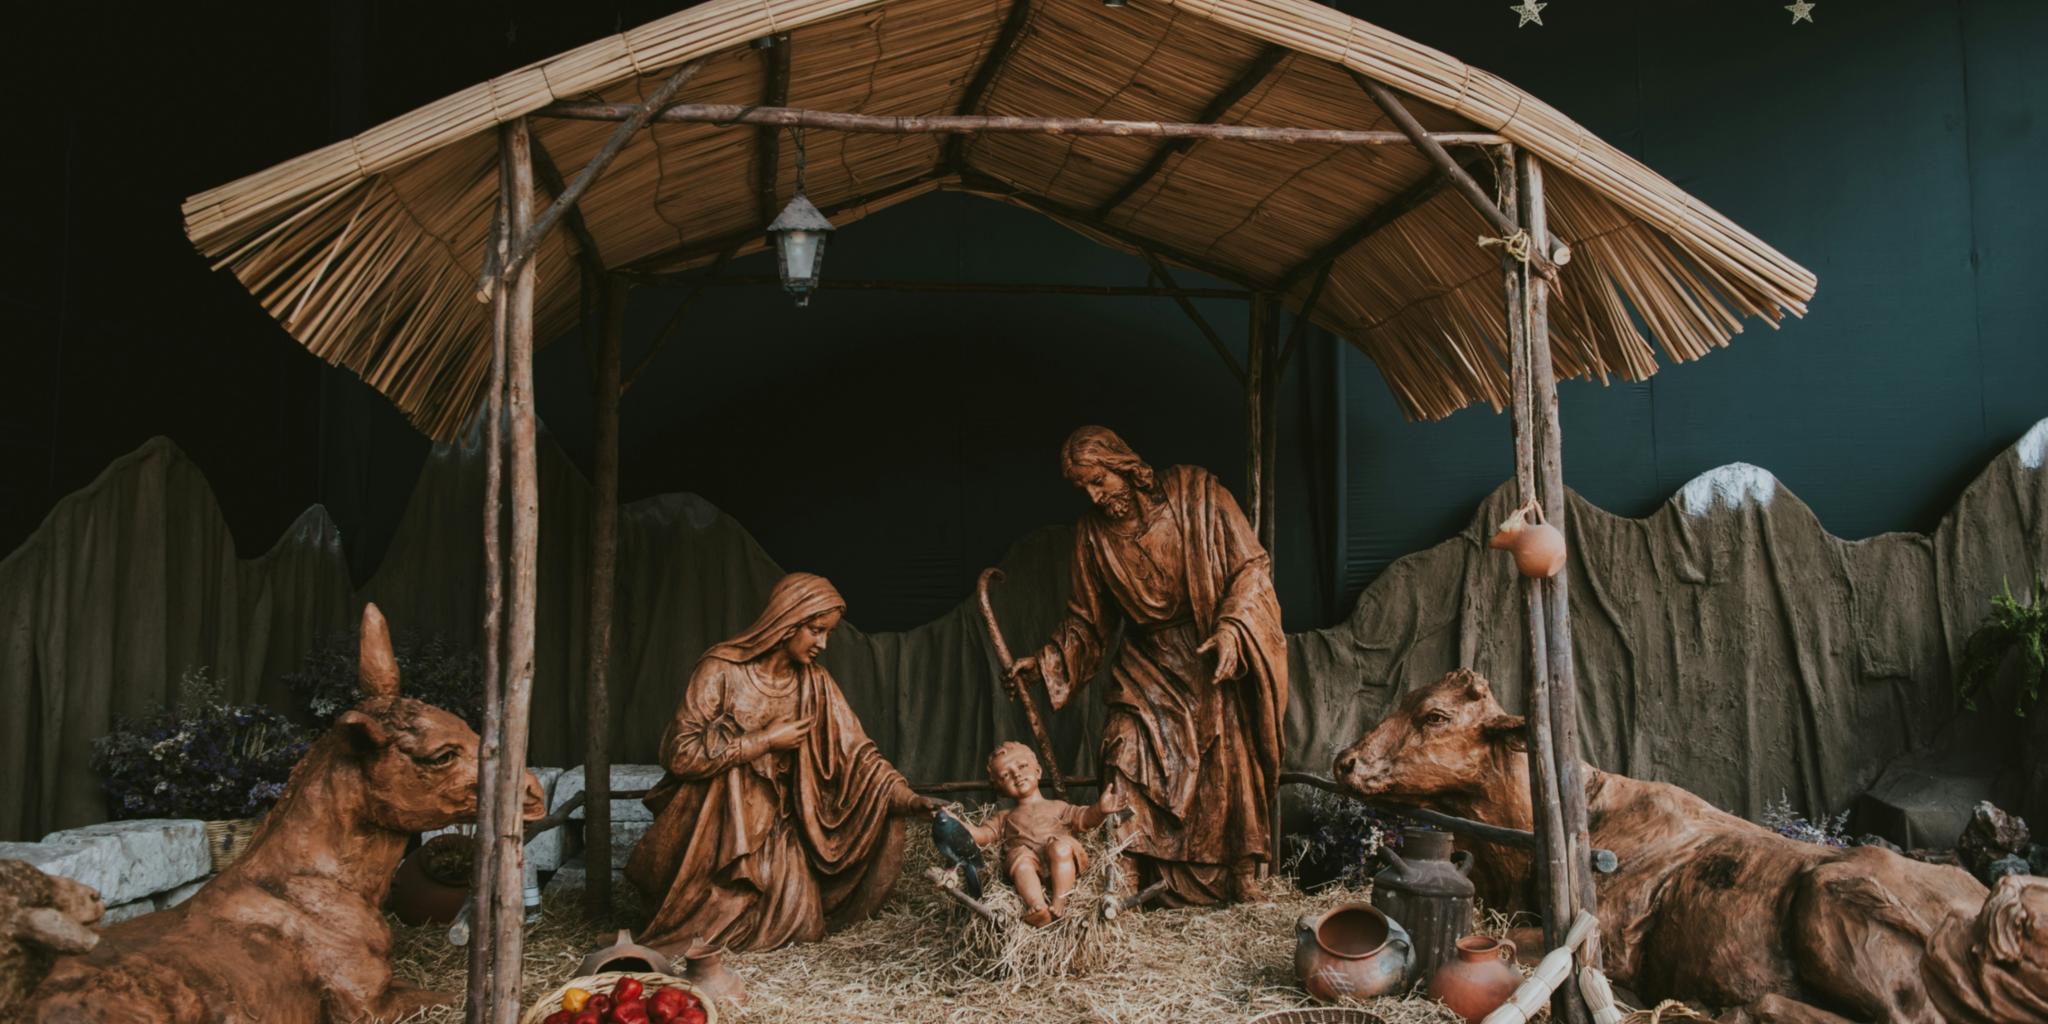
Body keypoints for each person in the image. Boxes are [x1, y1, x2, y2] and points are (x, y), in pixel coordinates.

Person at [1007, 425, 1287, 907]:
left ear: (1123, 465)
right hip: (1145, 662)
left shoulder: (1197, 494)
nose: (1096, 497)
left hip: (1206, 646)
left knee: (1228, 746)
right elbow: (1087, 621)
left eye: (1100, 481)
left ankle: (1240, 872)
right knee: (1124, 748)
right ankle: (1128, 868)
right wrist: (1047, 662)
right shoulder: (1092, 537)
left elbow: (1250, 566)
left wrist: (1231, 630)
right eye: (1085, 489)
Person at [625, 572, 943, 953]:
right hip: (717, 830)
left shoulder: (815, 683)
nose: (823, 643)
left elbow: (858, 753)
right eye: (816, 630)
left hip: (778, 831)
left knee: (804, 930)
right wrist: (763, 742)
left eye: (828, 633)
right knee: (703, 938)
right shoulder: (721, 670)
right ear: (787, 620)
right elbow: (680, 754)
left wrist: (907, 799)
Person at [961, 741, 1125, 926]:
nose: (1017, 774)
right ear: (1000, 788)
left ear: (1038, 771)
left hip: (1063, 860)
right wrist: (957, 825)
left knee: (1060, 846)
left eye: (1022, 766)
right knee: (1019, 857)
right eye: (1006, 775)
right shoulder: (1004, 817)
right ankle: (1037, 906)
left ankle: (1059, 901)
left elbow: (1085, 818)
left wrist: (1100, 810)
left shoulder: (1058, 806)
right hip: (1031, 867)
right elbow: (983, 835)